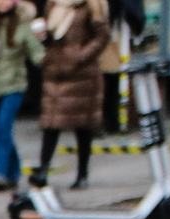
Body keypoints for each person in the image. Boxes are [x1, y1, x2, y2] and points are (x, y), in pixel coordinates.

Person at [33, 0, 108, 188]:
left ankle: (82, 174)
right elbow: (51, 36)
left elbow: (102, 36)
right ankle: (43, 171)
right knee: (50, 123)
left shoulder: (92, 5)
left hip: (82, 75)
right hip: (54, 71)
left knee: (82, 126)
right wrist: (43, 37)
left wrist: (81, 55)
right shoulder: (53, 4)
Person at [0, 0, 42, 190]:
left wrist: (54, 56)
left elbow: (37, 55)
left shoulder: (24, 25)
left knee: (3, 126)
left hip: (14, 85)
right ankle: (14, 171)